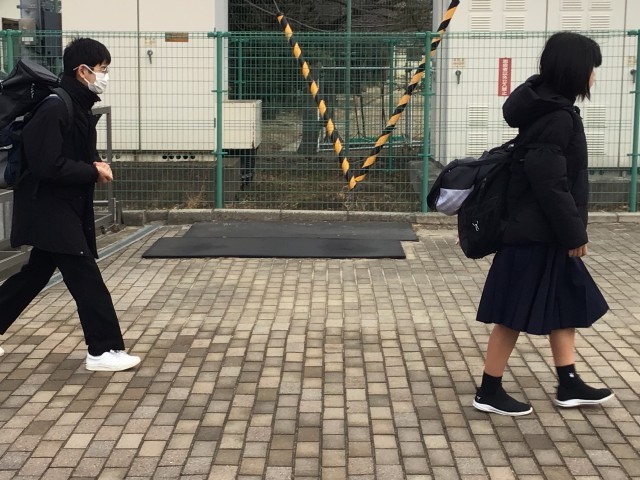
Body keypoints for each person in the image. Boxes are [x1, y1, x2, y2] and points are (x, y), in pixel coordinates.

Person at [472, 32, 614, 416]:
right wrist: (574, 232)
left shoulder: (550, 109)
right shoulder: (556, 118)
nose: (594, 75)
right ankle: (488, 391)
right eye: (592, 68)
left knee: (566, 303)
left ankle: (569, 383)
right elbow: (549, 182)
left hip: (545, 233)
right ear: (575, 70)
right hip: (534, 234)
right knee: (511, 313)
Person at [0, 38, 140, 372]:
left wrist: (94, 164)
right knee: (85, 275)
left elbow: (72, 152)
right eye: (102, 69)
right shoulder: (55, 107)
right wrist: (91, 170)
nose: (104, 76)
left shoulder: (76, 104)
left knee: (34, 275)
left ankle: (104, 349)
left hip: (61, 206)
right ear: (83, 70)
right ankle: (103, 350)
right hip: (48, 207)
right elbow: (46, 165)